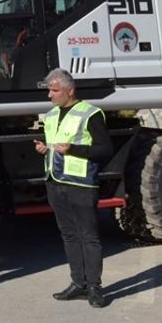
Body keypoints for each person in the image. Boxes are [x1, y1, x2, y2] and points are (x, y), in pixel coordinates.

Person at [35, 68, 113, 308]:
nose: (50, 94)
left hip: (81, 183)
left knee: (89, 236)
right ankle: (78, 283)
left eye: (55, 90)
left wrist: (73, 149)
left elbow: (105, 150)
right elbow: (55, 146)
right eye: (49, 90)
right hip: (56, 182)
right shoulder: (50, 115)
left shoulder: (90, 114)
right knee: (68, 235)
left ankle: (94, 288)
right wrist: (44, 149)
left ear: (70, 90)